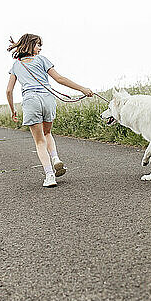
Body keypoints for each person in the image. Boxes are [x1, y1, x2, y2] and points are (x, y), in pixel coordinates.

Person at [6, 33, 93, 187]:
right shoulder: (42, 60)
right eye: (38, 45)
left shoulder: (16, 66)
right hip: (47, 98)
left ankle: (50, 176)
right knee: (47, 133)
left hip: (31, 101)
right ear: (30, 45)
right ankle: (55, 158)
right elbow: (59, 79)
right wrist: (82, 89)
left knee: (39, 142)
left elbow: (8, 91)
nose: (39, 48)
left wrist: (13, 110)